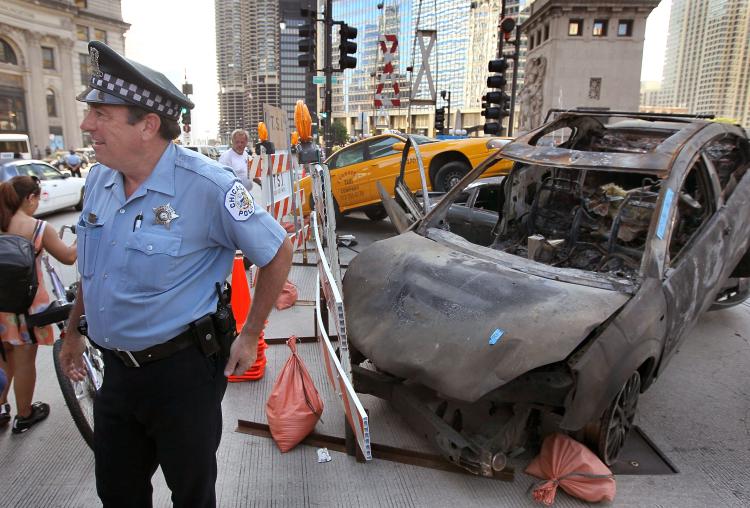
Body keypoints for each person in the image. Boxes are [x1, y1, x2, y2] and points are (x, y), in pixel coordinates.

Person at [59, 41, 292, 508]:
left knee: (190, 493)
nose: (86, 124)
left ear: (147, 125)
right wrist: (72, 333)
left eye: (101, 112)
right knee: (117, 493)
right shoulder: (98, 180)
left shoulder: (209, 186)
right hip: (115, 377)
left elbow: (277, 251)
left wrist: (250, 335)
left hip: (181, 378)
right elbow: (94, 270)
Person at [0, 176, 77, 433]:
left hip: (1, 307)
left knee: (3, 359)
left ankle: (1, 407)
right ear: (30, 198)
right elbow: (68, 257)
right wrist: (82, 238)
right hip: (26, 308)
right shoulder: (37, 228)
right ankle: (24, 414)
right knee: (23, 361)